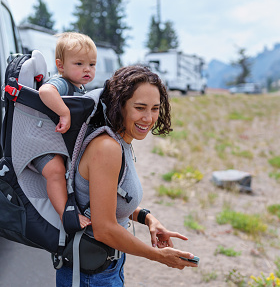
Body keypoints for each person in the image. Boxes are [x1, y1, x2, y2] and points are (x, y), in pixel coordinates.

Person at [56, 65, 197, 286]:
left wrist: (148, 218)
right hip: (89, 275)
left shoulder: (121, 142)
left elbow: (106, 201)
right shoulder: (107, 148)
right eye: (140, 107)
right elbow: (103, 229)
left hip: (105, 267)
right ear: (119, 105)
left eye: (155, 108)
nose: (148, 118)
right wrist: (159, 256)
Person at [33, 32, 96, 230]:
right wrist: (64, 112)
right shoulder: (62, 83)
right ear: (61, 66)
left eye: (92, 64)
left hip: (59, 145)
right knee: (56, 171)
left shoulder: (81, 88)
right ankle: (66, 215)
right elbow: (45, 91)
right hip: (41, 145)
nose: (87, 69)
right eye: (79, 64)